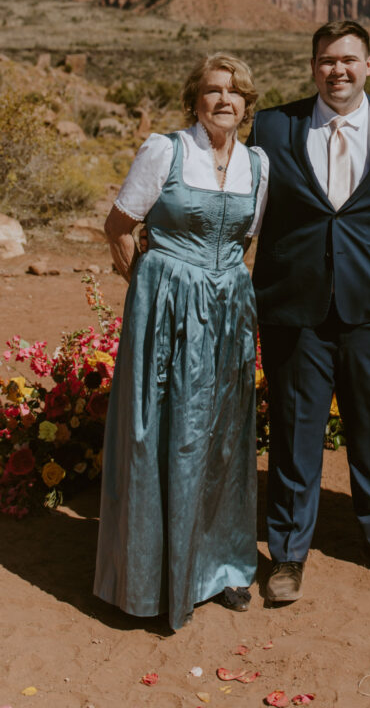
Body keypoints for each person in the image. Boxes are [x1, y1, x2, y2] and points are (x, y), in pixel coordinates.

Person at [249, 20, 370, 602]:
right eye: (327, 60)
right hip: (295, 313)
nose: (338, 70)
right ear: (314, 67)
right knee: (293, 435)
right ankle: (287, 556)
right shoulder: (271, 127)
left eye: (349, 60)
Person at [94, 54, 268, 630]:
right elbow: (119, 226)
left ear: (247, 104)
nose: (224, 100)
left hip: (228, 314)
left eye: (234, 92)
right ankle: (150, 577)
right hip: (166, 307)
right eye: (212, 90)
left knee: (221, 438)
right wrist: (148, 286)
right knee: (162, 433)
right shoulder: (165, 150)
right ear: (195, 99)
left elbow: (245, 241)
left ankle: (217, 568)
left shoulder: (257, 165)